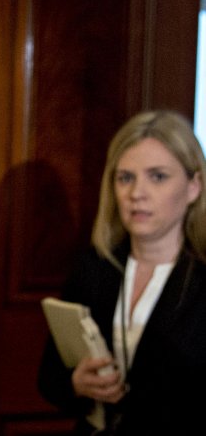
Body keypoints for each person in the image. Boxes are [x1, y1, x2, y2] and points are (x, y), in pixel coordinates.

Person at [37, 110, 206, 435]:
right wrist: (76, 382)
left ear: (193, 187)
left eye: (157, 177)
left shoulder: (202, 280)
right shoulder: (94, 267)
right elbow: (48, 379)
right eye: (125, 177)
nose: (136, 193)